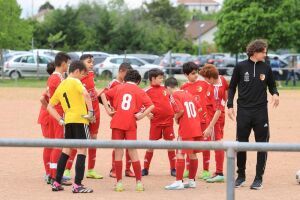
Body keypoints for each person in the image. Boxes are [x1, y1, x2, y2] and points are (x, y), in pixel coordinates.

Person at [227, 39, 279, 190]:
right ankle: (241, 176)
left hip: (261, 111)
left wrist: (275, 94)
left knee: (262, 144)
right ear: (255, 52)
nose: (265, 54)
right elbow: (232, 87)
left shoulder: (266, 67)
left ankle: (258, 178)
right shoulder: (240, 66)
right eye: (263, 51)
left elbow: (272, 86)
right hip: (243, 111)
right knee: (241, 143)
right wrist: (230, 105)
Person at [101, 69, 154, 192]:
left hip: (117, 122)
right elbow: (151, 105)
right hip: (130, 123)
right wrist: (141, 116)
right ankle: (139, 183)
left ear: (125, 79)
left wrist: (109, 110)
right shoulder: (139, 90)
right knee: (133, 152)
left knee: (118, 152)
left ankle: (119, 183)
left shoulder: (119, 87)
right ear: (138, 81)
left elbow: (103, 94)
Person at [47, 60, 95, 193]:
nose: (82, 78)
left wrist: (60, 120)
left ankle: (56, 182)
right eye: (82, 75)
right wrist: (91, 112)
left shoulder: (62, 84)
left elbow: (49, 106)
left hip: (68, 121)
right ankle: (77, 184)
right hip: (80, 119)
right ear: (77, 71)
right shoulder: (75, 81)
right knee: (82, 150)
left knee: (66, 151)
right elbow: (86, 94)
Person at [63, 54, 103, 180]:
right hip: (82, 112)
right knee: (78, 141)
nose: (92, 64)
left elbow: (93, 91)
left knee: (93, 138)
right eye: (89, 61)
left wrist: (104, 100)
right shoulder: (75, 79)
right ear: (80, 64)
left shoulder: (90, 74)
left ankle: (91, 169)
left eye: (93, 62)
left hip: (94, 110)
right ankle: (67, 170)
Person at [164, 77, 202, 190]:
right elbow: (199, 109)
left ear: (168, 88)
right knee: (193, 154)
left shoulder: (173, 95)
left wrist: (176, 118)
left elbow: (180, 110)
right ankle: (191, 181)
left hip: (186, 127)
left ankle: (178, 181)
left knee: (180, 153)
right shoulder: (188, 93)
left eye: (166, 90)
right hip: (196, 126)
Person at [98, 62, 135, 178]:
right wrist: (109, 109)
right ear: (121, 71)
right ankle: (114, 169)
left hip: (129, 118)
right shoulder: (114, 83)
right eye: (127, 74)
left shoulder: (127, 84)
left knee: (131, 145)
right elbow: (102, 96)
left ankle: (128, 169)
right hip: (118, 118)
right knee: (118, 145)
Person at [141, 68, 176, 177]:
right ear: (152, 78)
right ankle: (145, 168)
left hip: (168, 121)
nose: (162, 80)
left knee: (170, 144)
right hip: (156, 122)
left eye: (162, 77)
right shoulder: (146, 91)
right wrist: (146, 114)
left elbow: (172, 100)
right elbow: (140, 103)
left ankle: (173, 168)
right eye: (160, 78)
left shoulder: (165, 89)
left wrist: (175, 112)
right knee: (151, 145)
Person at [180, 62, 211, 180]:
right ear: (186, 75)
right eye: (193, 74)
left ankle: (206, 170)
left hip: (204, 120)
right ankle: (188, 169)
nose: (196, 75)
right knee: (190, 145)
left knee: (205, 144)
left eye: (197, 72)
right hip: (191, 122)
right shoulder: (183, 88)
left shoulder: (204, 84)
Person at [199, 64, 228, 183]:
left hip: (215, 119)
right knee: (216, 142)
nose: (205, 81)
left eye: (206, 78)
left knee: (218, 143)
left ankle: (220, 172)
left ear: (211, 78)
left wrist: (211, 126)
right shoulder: (221, 78)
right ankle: (218, 171)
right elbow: (228, 90)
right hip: (216, 117)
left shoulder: (217, 90)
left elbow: (218, 110)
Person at [47, 52, 71, 184]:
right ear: (63, 64)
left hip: (55, 113)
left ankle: (53, 174)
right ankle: (55, 175)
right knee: (58, 145)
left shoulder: (54, 77)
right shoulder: (57, 78)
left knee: (56, 144)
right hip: (58, 114)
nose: (68, 66)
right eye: (67, 63)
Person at [38, 61, 55, 184]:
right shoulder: (52, 80)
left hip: (51, 117)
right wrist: (48, 108)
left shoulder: (53, 79)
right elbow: (42, 98)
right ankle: (48, 173)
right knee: (50, 144)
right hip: (48, 118)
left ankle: (51, 172)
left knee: (53, 144)